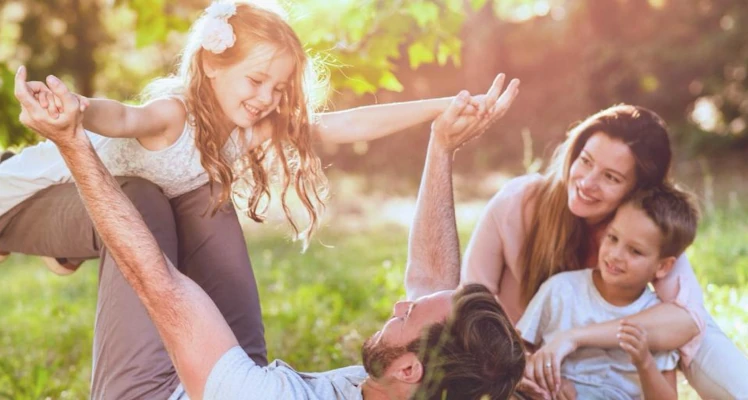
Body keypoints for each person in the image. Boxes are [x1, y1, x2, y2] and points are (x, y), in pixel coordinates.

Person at [15, 66, 527, 399]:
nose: (399, 305)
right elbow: (432, 282)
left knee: (142, 198)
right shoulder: (422, 384)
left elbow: (156, 282)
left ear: (410, 371)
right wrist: (441, 146)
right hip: (235, 371)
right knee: (202, 181)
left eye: (407, 316)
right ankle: (60, 232)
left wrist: (72, 143)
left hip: (153, 389)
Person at [0, 0, 497, 273]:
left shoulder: (249, 129)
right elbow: (127, 118)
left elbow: (342, 126)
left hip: (95, 207)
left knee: (74, 250)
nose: (266, 97)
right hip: (42, 177)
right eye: (256, 81)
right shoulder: (174, 113)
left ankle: (58, 251)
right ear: (212, 65)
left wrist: (444, 104)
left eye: (279, 87)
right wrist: (82, 108)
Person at [461, 104, 748, 399]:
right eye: (585, 161)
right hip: (517, 359)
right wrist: (526, 367)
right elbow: (469, 304)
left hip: (593, 370)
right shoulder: (518, 201)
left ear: (638, 191)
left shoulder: (640, 232)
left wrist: (574, 338)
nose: (587, 183)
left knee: (703, 337)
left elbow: (688, 321)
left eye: (611, 177)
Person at [518, 185, 701, 399]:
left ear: (662, 267)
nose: (615, 255)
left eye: (635, 251)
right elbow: (517, 355)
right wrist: (546, 382)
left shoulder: (655, 321)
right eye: (612, 238)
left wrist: (644, 362)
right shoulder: (560, 290)